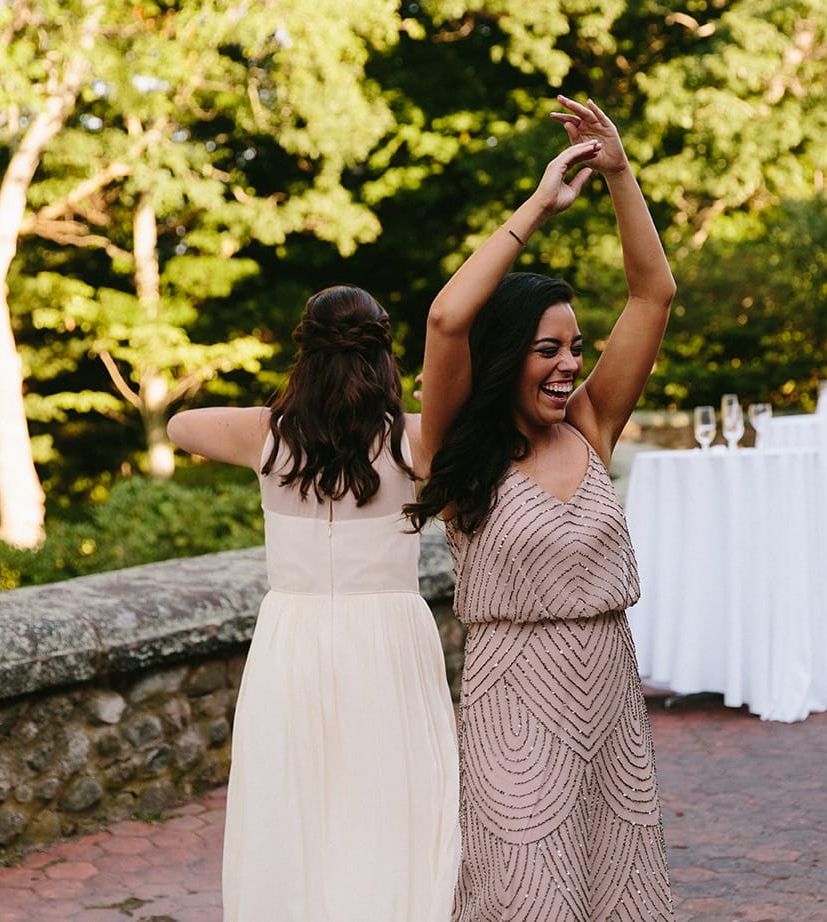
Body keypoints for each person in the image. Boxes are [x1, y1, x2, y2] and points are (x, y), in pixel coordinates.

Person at [407, 96, 675, 920]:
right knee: (527, 891)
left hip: (608, 696)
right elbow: (449, 317)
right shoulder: (456, 454)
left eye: (576, 349)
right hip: (512, 705)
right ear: (504, 358)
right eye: (547, 349)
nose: (568, 367)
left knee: (615, 889)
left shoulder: (592, 425)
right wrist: (540, 202)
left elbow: (653, 293)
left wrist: (620, 173)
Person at [166, 286, 459, 922]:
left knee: (296, 801)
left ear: (305, 355)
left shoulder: (267, 438)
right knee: (392, 801)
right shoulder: (416, 442)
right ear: (383, 357)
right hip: (388, 635)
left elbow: (179, 425)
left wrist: (280, 414)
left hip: (293, 635)